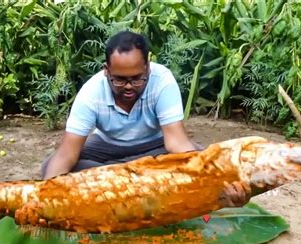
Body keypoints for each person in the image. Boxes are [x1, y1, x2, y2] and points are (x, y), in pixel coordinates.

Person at [40, 30, 250, 207]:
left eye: (137, 79)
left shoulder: (162, 82)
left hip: (155, 145)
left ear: (148, 68)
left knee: (200, 158)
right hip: (107, 145)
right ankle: (142, 179)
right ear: (107, 71)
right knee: (51, 166)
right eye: (120, 80)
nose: (129, 86)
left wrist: (218, 179)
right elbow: (67, 153)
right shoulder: (91, 93)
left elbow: (176, 142)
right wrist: (44, 196)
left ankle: (116, 179)